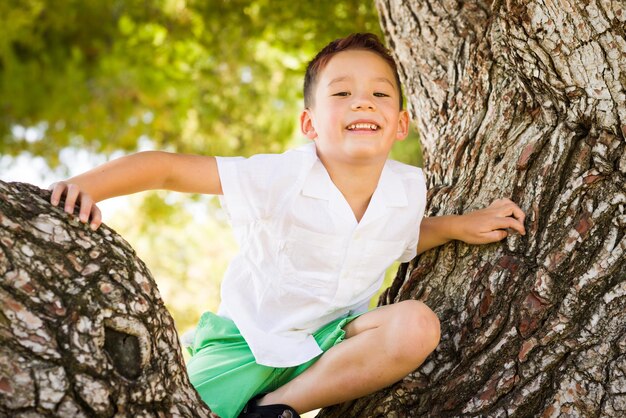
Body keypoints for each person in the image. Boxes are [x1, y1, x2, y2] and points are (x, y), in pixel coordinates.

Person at [49, 33, 526, 418]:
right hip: (247, 343)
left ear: (401, 124)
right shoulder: (282, 177)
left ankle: (278, 410)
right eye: (342, 93)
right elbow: (169, 168)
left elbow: (396, 238)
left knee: (418, 326)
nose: (363, 102)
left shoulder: (407, 190)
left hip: (332, 347)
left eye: (379, 93)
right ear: (310, 123)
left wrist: (457, 226)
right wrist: (87, 186)